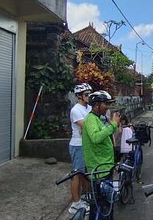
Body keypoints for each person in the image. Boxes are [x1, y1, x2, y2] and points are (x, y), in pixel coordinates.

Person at [82, 90, 120, 176]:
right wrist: (114, 124)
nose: (108, 107)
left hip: (105, 166)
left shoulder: (98, 118)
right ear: (97, 105)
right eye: (106, 104)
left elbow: (104, 133)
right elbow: (96, 137)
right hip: (99, 169)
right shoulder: (90, 119)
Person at [68, 83, 92, 214]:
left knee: (84, 173)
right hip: (77, 145)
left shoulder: (89, 108)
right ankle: (75, 204)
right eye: (86, 95)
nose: (89, 97)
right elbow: (87, 127)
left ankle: (85, 196)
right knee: (77, 174)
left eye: (90, 94)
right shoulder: (76, 110)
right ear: (79, 96)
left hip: (86, 145)